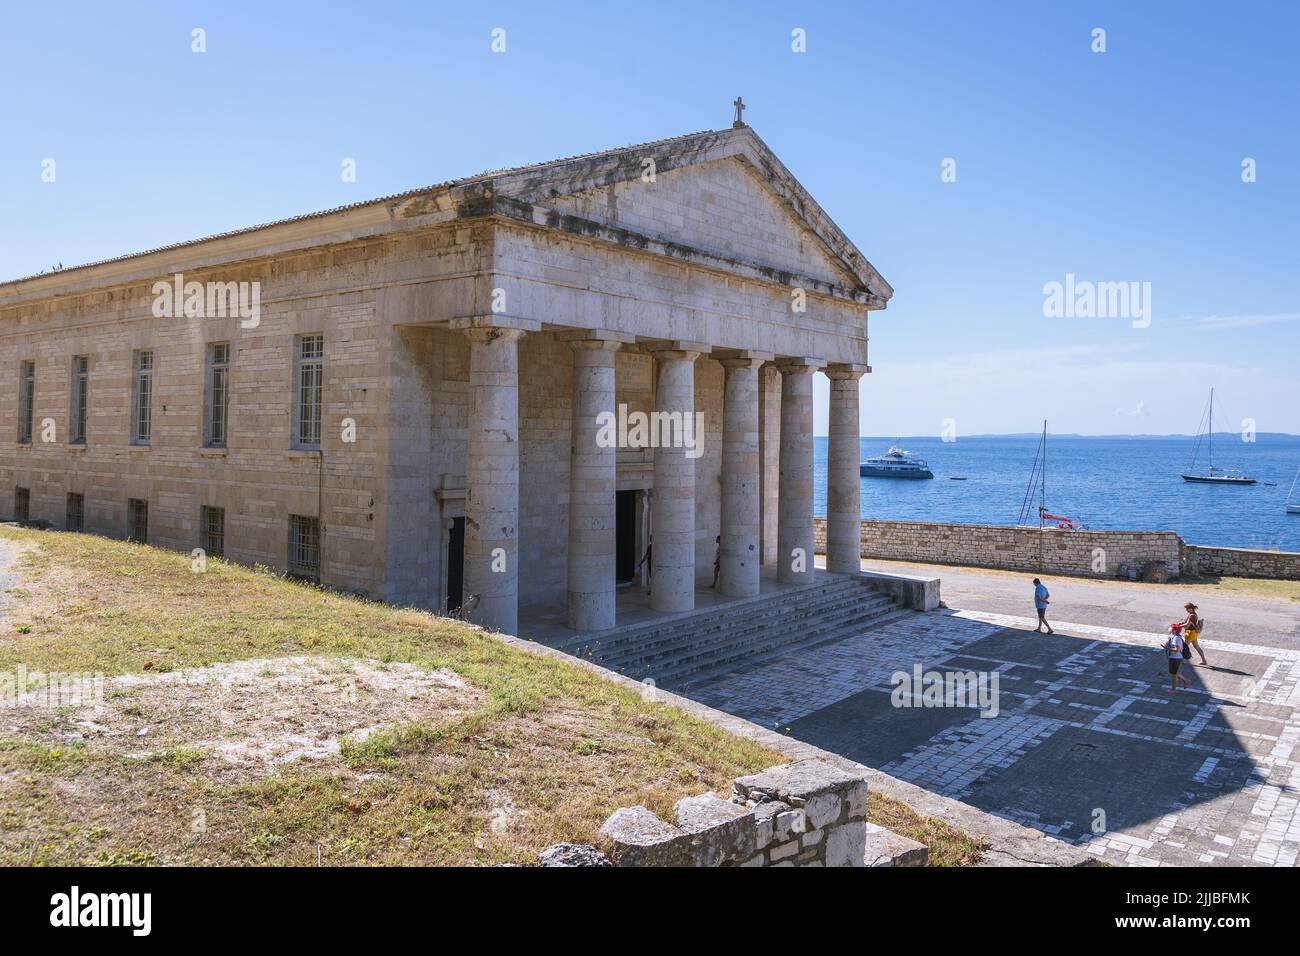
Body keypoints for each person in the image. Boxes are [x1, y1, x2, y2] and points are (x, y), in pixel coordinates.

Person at [1164, 622, 1192, 692]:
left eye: (1172, 628)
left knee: (1174, 675)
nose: (1170, 629)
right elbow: (1168, 644)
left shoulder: (1176, 638)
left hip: (1175, 658)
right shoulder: (1174, 637)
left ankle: (1174, 689)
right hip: (1174, 657)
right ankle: (1186, 681)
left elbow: (1177, 649)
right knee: (1175, 673)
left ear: (1175, 630)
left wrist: (1168, 648)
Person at [1181, 601, 1208, 666]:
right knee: (1197, 647)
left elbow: (1187, 625)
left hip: (1190, 633)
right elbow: (1188, 623)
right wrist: (1182, 623)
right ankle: (1204, 661)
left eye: (1187, 608)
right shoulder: (1193, 614)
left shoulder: (1192, 616)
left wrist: (1179, 626)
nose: (1186, 610)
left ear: (1191, 608)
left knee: (1184, 647)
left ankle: (1181, 660)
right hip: (1193, 633)